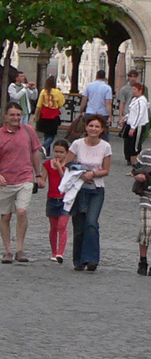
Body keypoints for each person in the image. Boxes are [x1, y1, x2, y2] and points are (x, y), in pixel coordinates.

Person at [0, 104, 44, 264]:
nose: (16, 118)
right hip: (5, 181)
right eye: (12, 115)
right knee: (5, 216)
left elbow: (35, 153)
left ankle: (20, 249)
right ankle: (7, 250)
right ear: (5, 116)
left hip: (25, 178)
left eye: (18, 114)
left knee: (21, 211)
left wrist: (38, 174)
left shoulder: (28, 131)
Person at [65, 114, 112, 272]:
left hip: (96, 189)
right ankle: (78, 260)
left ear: (102, 130)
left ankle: (91, 259)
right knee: (79, 225)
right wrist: (81, 173)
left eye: (97, 126)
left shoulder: (105, 147)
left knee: (91, 223)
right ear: (86, 127)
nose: (93, 129)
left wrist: (93, 174)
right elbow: (67, 163)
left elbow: (106, 170)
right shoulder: (77, 144)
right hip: (78, 189)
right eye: (91, 126)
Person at [42, 140, 70, 263]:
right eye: (56, 151)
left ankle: (60, 252)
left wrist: (59, 168)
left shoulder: (69, 166)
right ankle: (54, 251)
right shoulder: (47, 164)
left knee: (62, 225)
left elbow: (67, 181)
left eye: (61, 152)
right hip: (52, 198)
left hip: (66, 199)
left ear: (66, 153)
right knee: (53, 227)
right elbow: (43, 180)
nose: (58, 154)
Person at [35, 75, 66, 154]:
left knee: (46, 133)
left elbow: (39, 105)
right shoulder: (57, 92)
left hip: (44, 114)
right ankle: (45, 146)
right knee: (52, 134)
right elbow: (61, 103)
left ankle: (47, 153)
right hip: (53, 114)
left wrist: (36, 115)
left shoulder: (43, 91)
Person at [133, 141, 151, 275]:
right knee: (146, 227)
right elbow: (135, 169)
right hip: (146, 195)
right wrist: (137, 176)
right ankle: (143, 260)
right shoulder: (145, 154)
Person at [122, 79, 148, 164]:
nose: (133, 91)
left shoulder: (142, 101)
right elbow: (132, 112)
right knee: (129, 144)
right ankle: (131, 161)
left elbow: (139, 115)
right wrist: (125, 117)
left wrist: (133, 127)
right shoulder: (134, 100)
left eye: (134, 89)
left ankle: (136, 163)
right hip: (131, 124)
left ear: (140, 91)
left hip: (138, 126)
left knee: (135, 145)